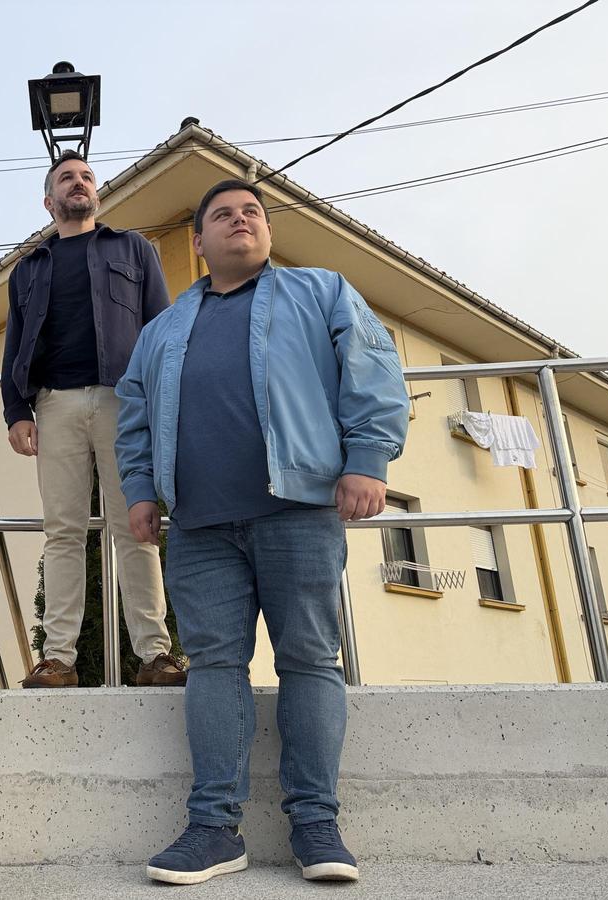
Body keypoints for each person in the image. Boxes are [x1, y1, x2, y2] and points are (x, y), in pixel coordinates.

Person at [116, 179, 409, 883]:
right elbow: (134, 415)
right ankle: (214, 829)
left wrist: (367, 458)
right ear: (198, 241)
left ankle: (316, 824)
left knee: (309, 658)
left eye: (253, 212)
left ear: (267, 231)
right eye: (223, 214)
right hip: (199, 526)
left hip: (299, 510)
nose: (241, 220)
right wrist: (140, 492)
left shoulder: (322, 292)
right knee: (214, 665)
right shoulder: (162, 330)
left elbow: (373, 370)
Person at [1, 150, 184, 688]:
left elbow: (161, 331)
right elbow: (15, 341)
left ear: (95, 193)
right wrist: (17, 410)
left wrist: (158, 406)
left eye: (85, 177)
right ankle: (58, 658)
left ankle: (155, 655)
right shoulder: (29, 267)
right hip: (54, 404)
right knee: (62, 532)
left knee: (138, 527)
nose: (78, 183)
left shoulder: (135, 249)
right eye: (66, 178)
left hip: (123, 402)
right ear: (48, 199)